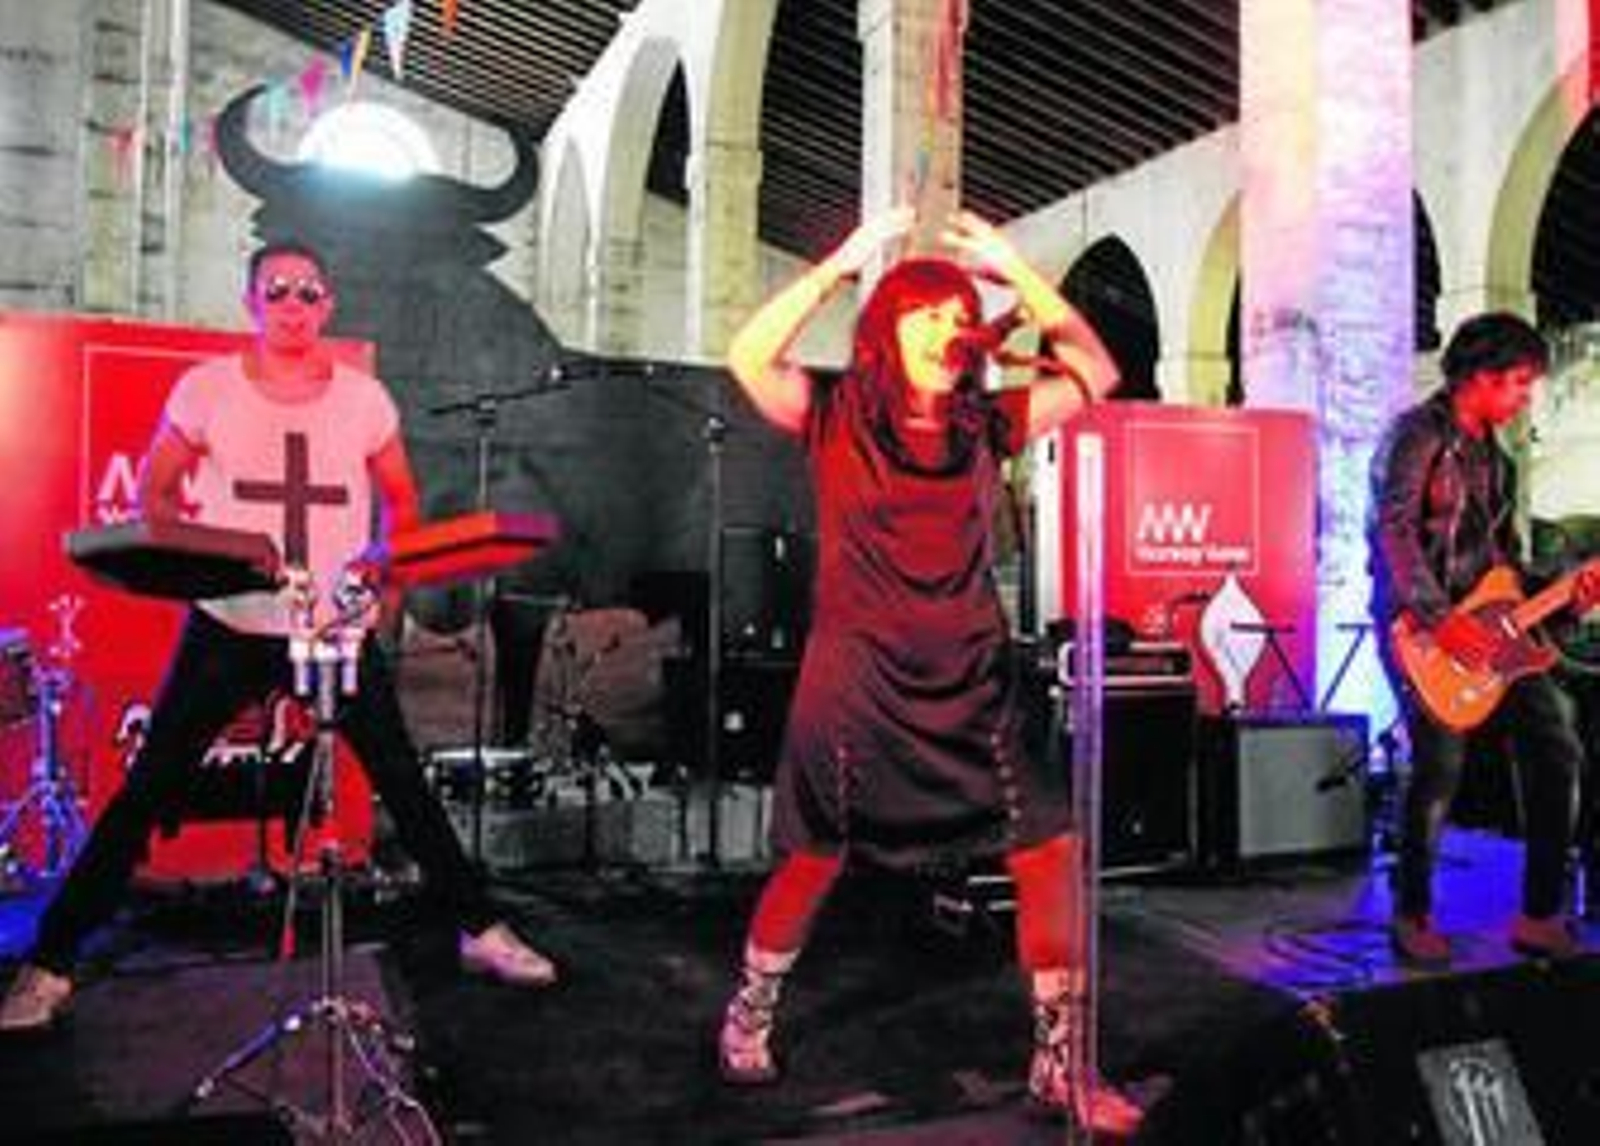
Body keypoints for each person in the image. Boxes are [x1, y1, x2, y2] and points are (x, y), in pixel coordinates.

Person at [0, 240, 556, 1032]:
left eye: (308, 292)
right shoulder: (208, 390)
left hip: (331, 627)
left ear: (328, 305)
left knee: (402, 781)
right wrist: (207, 558)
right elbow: (157, 494)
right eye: (278, 290)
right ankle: (49, 964)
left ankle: (482, 929)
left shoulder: (364, 400)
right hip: (231, 620)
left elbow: (400, 503)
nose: (293, 304)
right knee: (149, 787)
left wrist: (385, 584)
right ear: (252, 303)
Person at [714, 206, 1140, 1133]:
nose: (950, 329)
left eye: (960, 316)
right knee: (815, 854)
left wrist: (1014, 270)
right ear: (888, 328)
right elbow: (747, 354)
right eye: (930, 314)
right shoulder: (833, 412)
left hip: (973, 677)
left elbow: (1097, 372)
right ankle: (750, 1010)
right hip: (857, 679)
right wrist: (845, 261)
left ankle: (1059, 1063)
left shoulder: (987, 423)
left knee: (1049, 848)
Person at [1369, 310, 1600, 967]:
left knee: (1556, 743)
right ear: (1481, 376)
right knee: (1439, 764)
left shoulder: (1498, 461)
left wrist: (1566, 596)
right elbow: (1394, 530)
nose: (1526, 397)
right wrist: (1439, 618)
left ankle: (1539, 914)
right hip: (1421, 628)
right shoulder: (1417, 434)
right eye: (1520, 382)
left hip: (1490, 626)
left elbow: (1504, 568)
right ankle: (1412, 913)